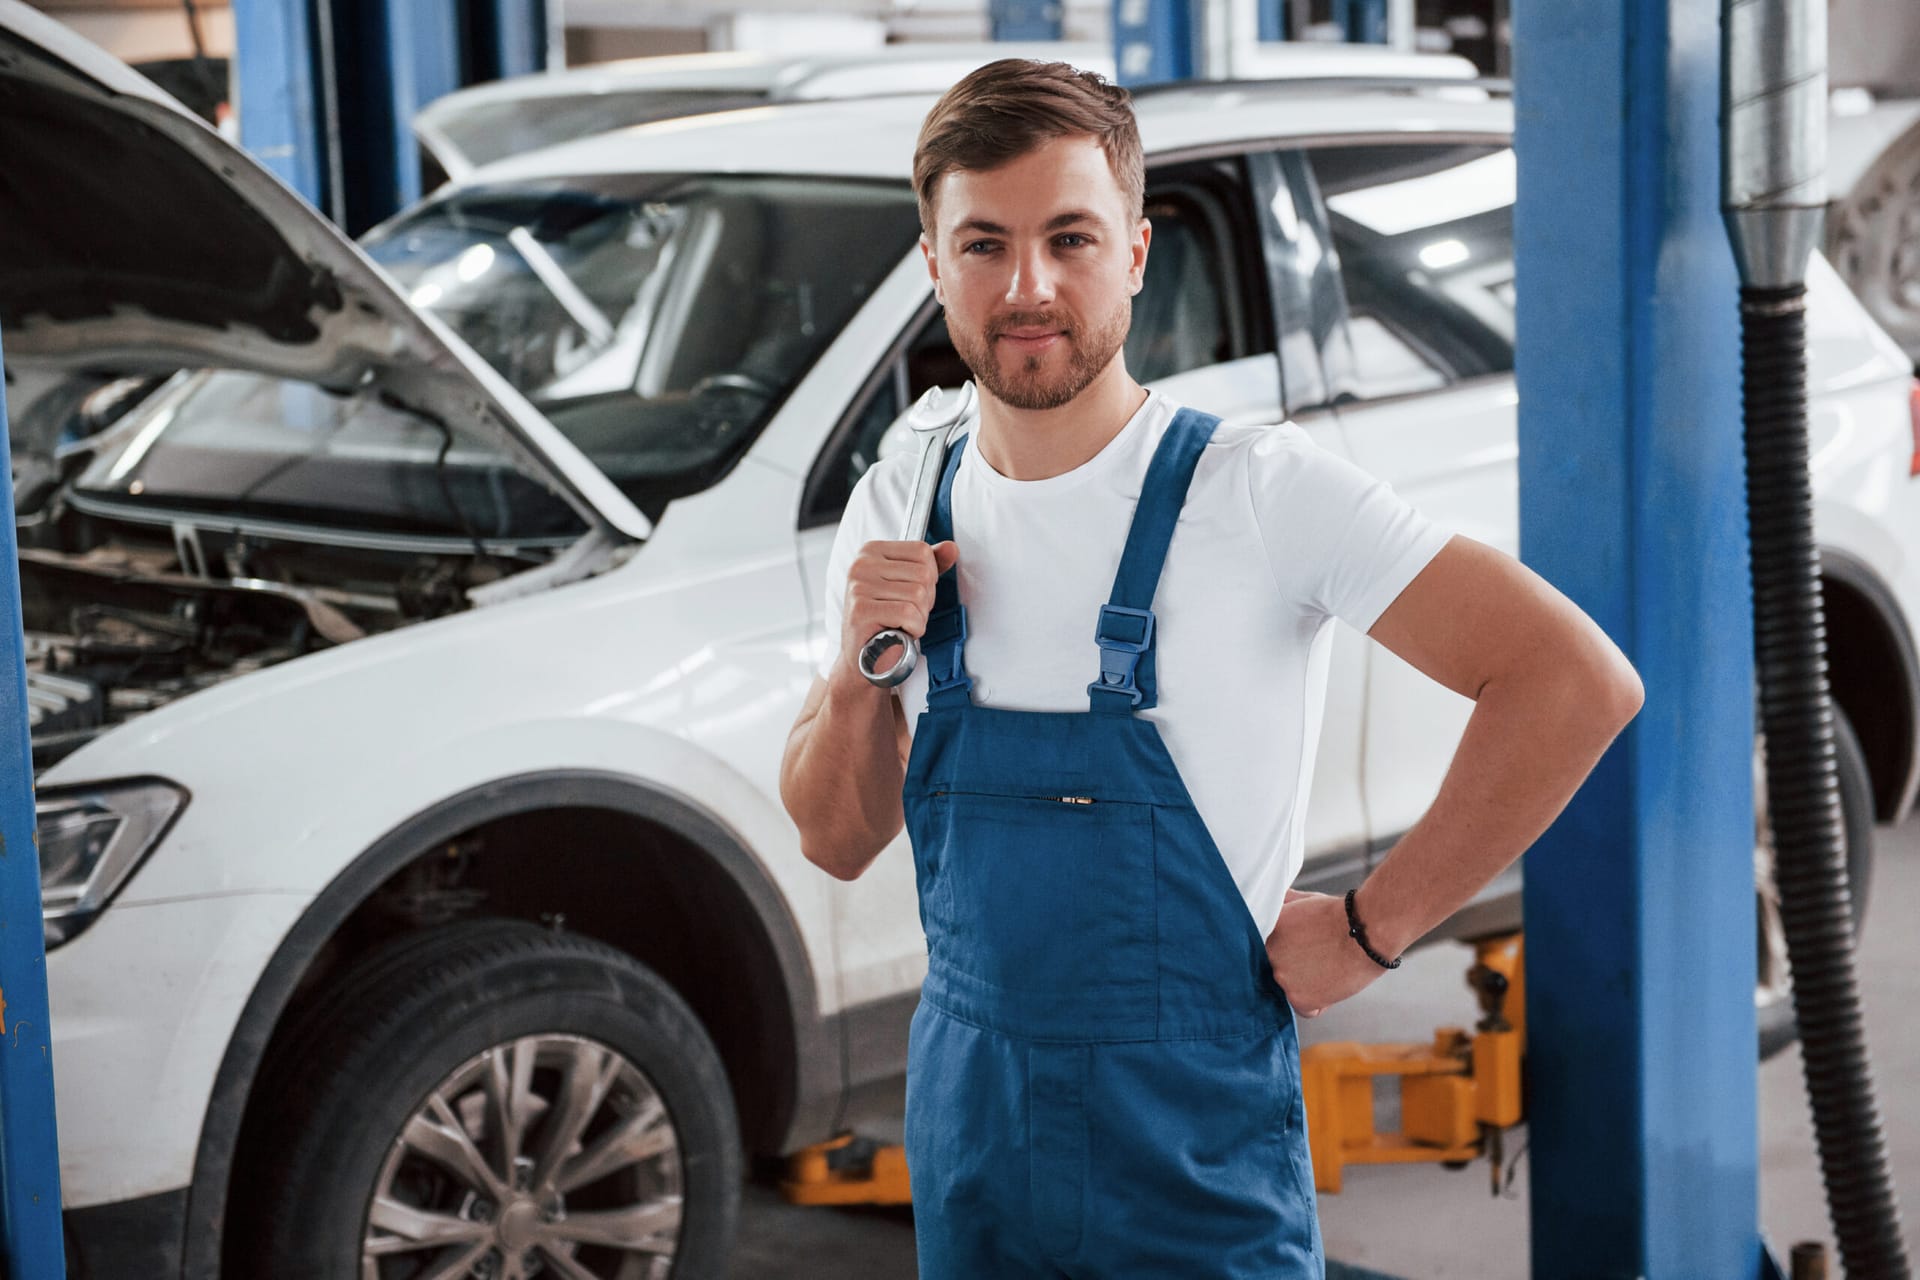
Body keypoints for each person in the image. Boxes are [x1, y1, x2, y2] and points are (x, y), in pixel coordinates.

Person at [779, 58, 1643, 1279]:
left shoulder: (1256, 492)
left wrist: (1372, 926)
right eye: (984, 244)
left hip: (1189, 1157)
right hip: (970, 1140)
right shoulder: (898, 497)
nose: (1027, 286)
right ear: (934, 263)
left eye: (1069, 238)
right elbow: (832, 835)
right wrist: (871, 671)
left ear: (1135, 253)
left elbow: (1573, 678)